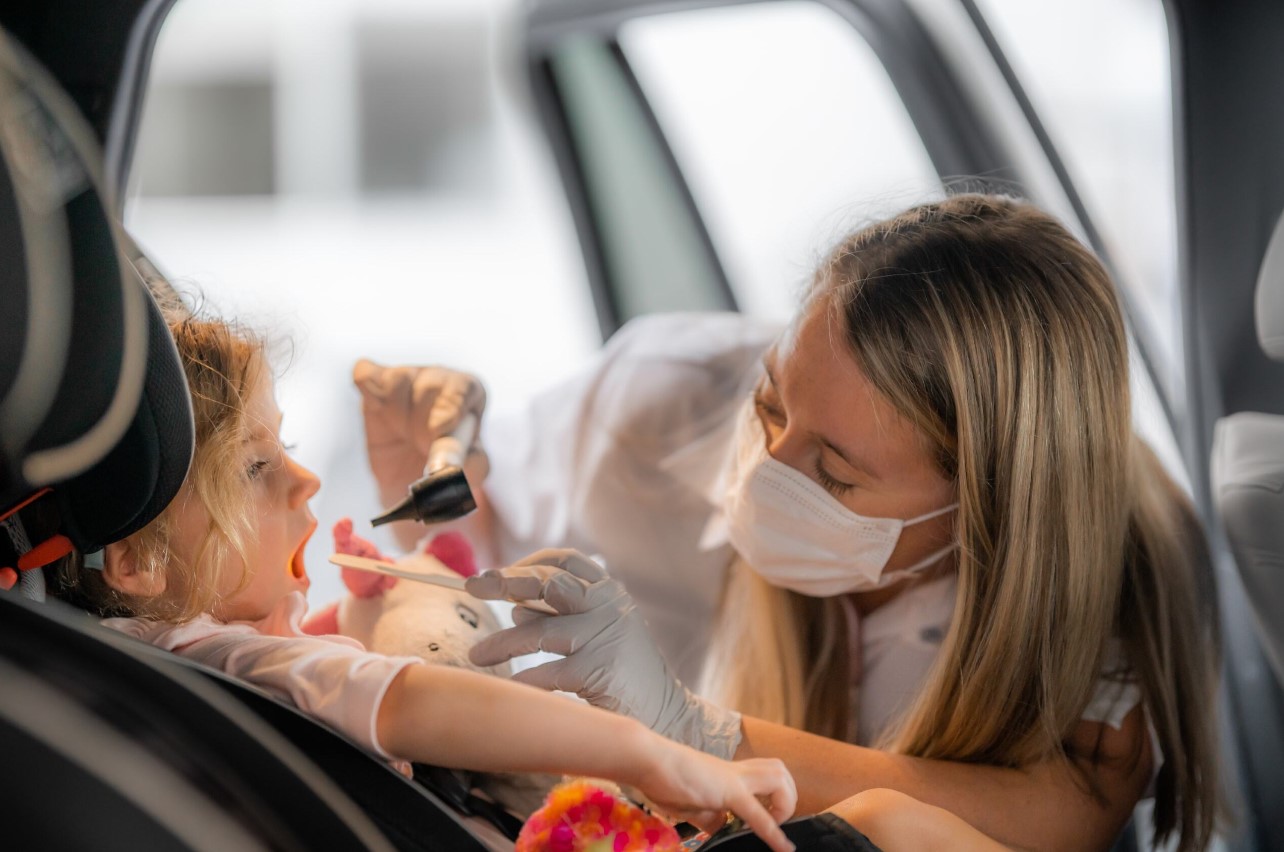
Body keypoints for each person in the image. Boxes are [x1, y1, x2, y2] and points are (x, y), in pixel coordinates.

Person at [354, 194, 1221, 852]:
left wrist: (696, 734)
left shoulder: (1114, 573)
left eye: (835, 476)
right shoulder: (660, 401)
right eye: (770, 403)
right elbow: (470, 544)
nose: (764, 470)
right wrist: (431, 471)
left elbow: (1061, 818)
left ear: (987, 507)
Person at [48, 310, 798, 852]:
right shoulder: (224, 659)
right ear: (138, 562)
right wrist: (649, 751)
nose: (306, 481)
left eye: (290, 447)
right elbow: (410, 697)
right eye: (253, 467)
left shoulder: (193, 655)